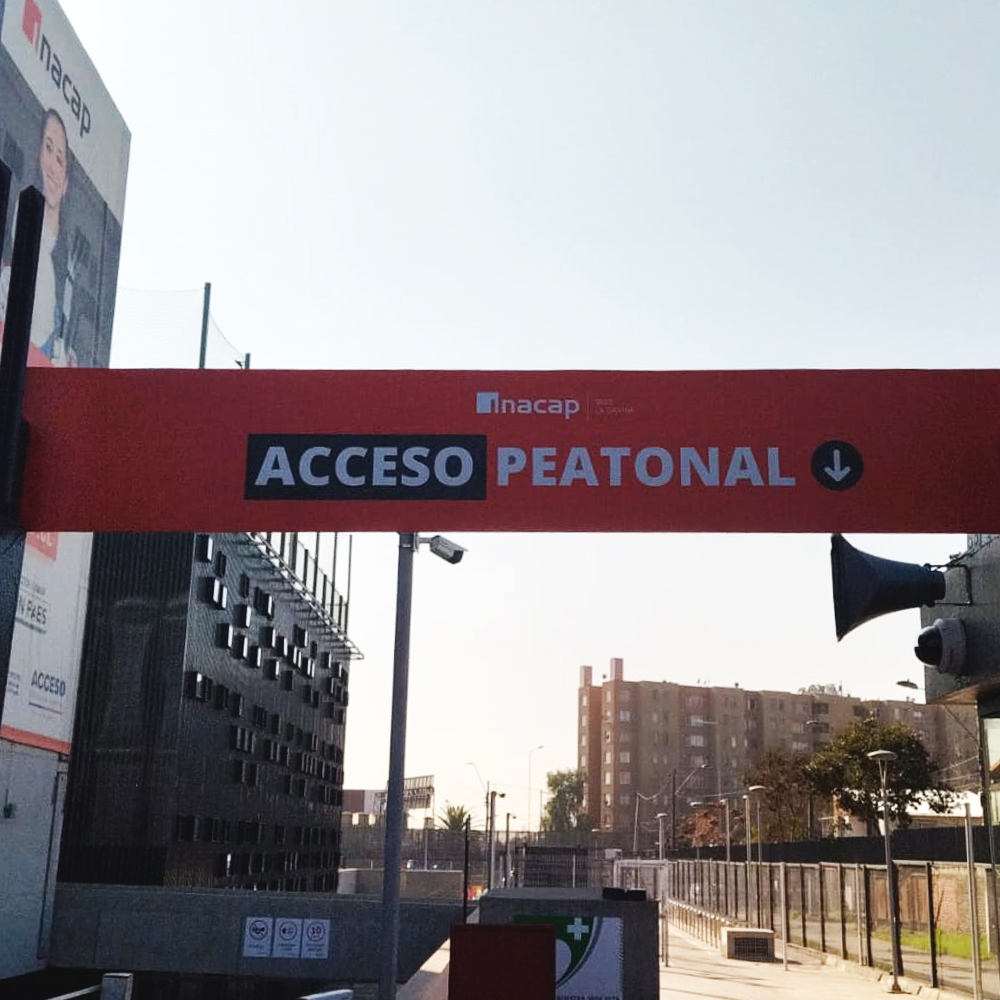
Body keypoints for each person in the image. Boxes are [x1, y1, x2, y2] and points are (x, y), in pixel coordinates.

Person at [0, 107, 77, 366]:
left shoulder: (62, 272)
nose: (53, 166)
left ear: (66, 183)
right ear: (38, 155)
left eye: (60, 158)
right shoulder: (23, 223)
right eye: (48, 148)